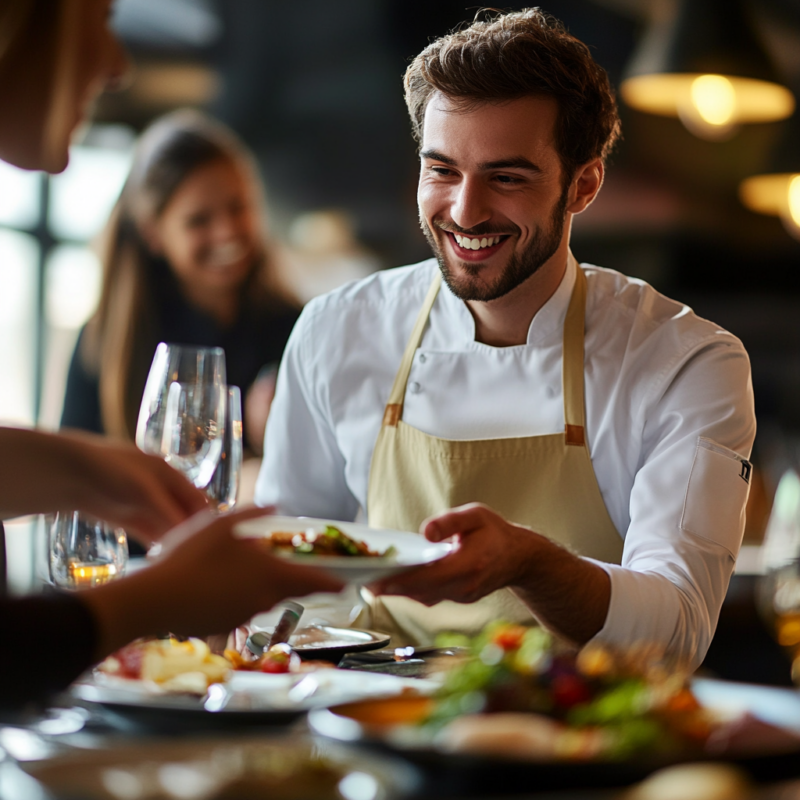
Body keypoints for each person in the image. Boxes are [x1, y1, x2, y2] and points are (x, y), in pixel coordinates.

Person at [256, 8, 756, 671]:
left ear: (584, 185)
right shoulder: (337, 330)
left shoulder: (684, 362)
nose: (464, 212)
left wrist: (531, 563)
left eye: (507, 177)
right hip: (367, 721)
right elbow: (283, 572)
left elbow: (675, 630)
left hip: (573, 741)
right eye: (442, 171)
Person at [0, 0, 342, 709]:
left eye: (238, 209)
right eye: (99, 15)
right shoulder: (113, 333)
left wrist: (87, 471)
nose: (119, 63)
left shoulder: (295, 325)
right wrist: (150, 600)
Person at [61, 109, 298, 458]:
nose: (227, 233)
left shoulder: (294, 328)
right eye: (198, 220)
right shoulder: (109, 342)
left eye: (237, 208)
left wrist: (279, 441)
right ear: (153, 234)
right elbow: (73, 474)